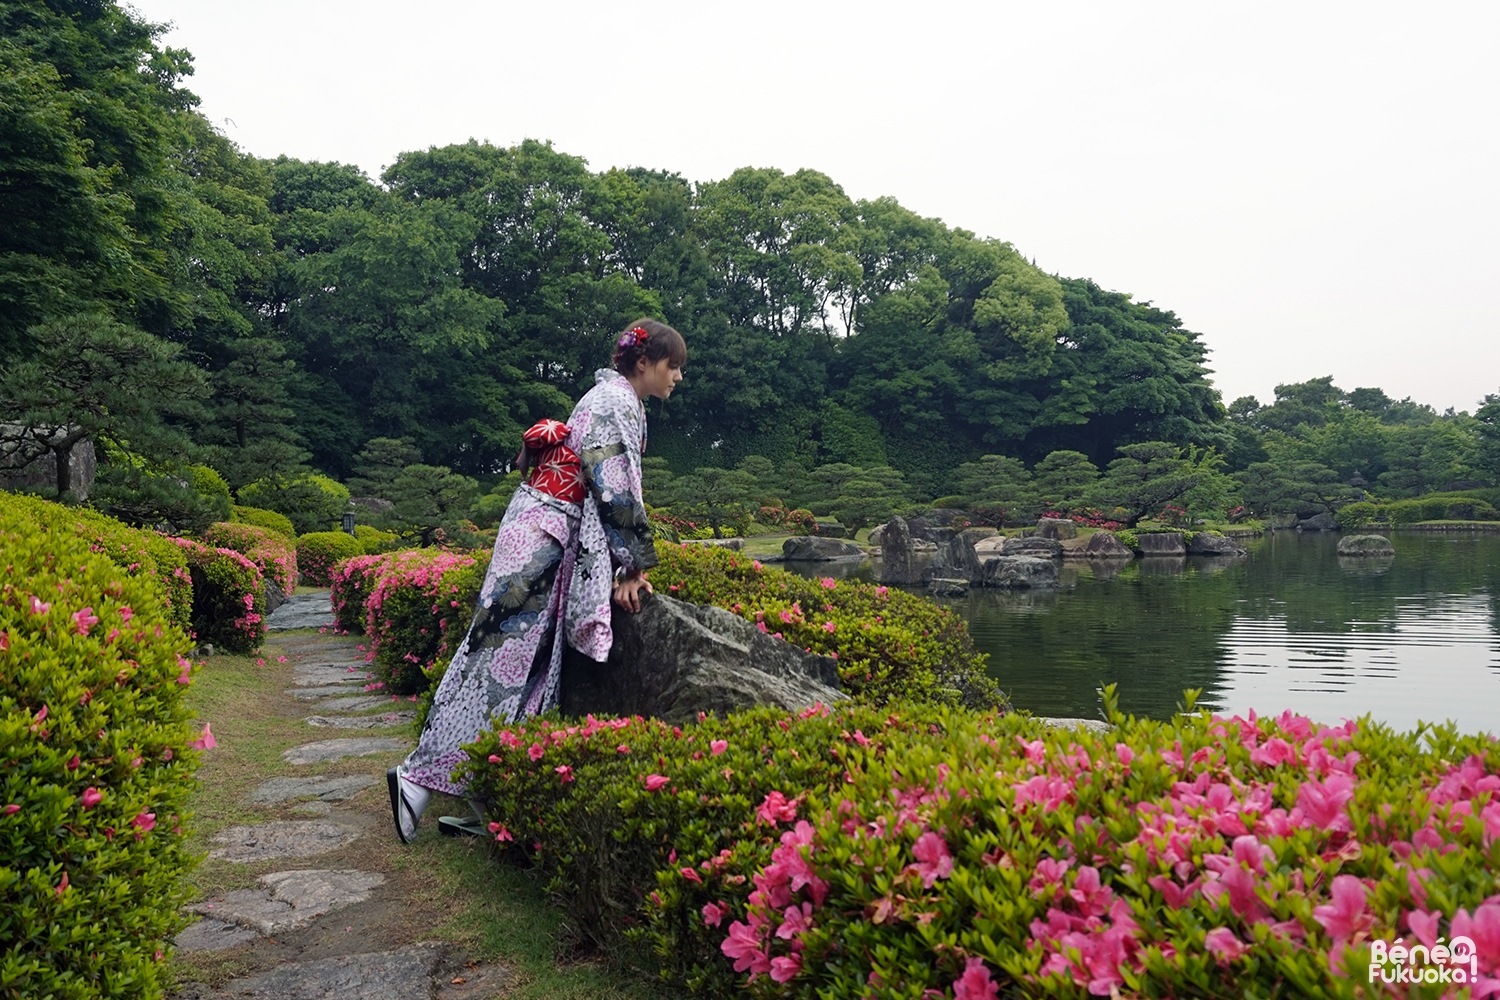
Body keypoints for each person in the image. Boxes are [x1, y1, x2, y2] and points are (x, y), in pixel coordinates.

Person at [387, 319, 686, 842]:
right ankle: (416, 776)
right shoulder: (613, 402)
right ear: (644, 363)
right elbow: (613, 487)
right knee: (495, 658)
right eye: (674, 365)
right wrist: (632, 566)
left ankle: (485, 791)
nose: (678, 377)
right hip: (543, 533)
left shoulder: (612, 397)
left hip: (546, 528)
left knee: (524, 667)